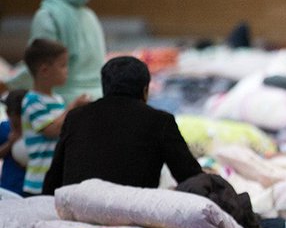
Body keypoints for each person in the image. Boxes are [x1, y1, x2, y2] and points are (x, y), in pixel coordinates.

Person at [43, 56, 201, 194]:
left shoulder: (76, 117)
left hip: (76, 210)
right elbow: (190, 177)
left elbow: (53, 179)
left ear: (105, 88)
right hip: (131, 213)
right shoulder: (160, 121)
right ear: (145, 91)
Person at [0, 0, 105, 103]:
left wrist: (6, 84)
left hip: (61, 104)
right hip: (98, 101)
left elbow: (38, 66)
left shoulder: (48, 15)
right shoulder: (90, 16)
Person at [20, 39, 89, 195]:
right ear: (44, 70)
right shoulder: (32, 101)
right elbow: (52, 130)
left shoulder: (57, 100)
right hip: (39, 183)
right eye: (63, 65)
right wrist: (73, 108)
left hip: (56, 179)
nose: (67, 70)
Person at [0, 90, 27, 196]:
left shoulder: (38, 131)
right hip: (9, 187)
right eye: (16, 124)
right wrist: (10, 143)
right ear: (8, 114)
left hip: (31, 188)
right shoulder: (5, 128)